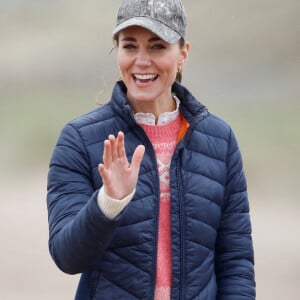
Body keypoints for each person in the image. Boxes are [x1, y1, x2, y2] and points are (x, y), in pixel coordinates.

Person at [47, 0, 256, 299]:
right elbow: (67, 257)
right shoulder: (79, 139)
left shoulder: (219, 140)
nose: (142, 61)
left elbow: (236, 262)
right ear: (117, 51)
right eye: (130, 46)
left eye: (157, 46)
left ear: (183, 54)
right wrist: (109, 202)